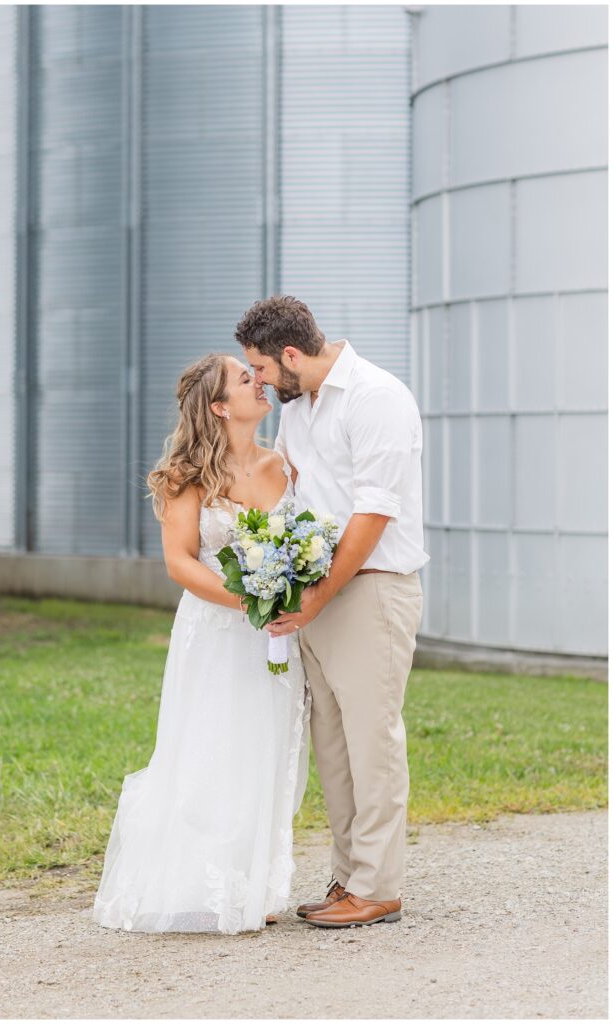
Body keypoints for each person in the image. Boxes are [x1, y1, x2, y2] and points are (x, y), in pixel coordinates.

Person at [92, 352, 311, 935]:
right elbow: (179, 563)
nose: (259, 382)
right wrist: (250, 603)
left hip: (274, 640)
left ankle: (253, 884)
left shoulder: (285, 466)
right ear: (219, 407)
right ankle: (196, 881)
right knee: (209, 746)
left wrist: (285, 600)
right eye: (246, 379)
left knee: (267, 745)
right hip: (215, 634)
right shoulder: (185, 476)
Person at [236, 295, 429, 929]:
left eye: (261, 369)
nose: (259, 381)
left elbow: (373, 512)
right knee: (333, 743)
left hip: (371, 590)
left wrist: (318, 595)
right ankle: (349, 877)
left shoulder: (377, 398)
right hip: (320, 593)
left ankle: (379, 885)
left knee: (373, 739)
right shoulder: (301, 406)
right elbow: (297, 491)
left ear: (291, 355)